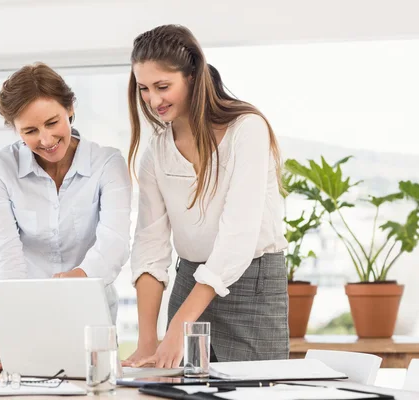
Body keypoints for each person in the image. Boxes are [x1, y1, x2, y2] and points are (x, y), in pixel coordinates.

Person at [123, 25, 289, 368]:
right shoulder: (156, 151)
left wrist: (179, 325)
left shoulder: (247, 129)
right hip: (190, 284)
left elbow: (238, 237)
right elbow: (150, 247)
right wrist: (147, 341)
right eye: (144, 89)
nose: (153, 100)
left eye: (163, 86)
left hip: (252, 286)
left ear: (193, 76)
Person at [0, 62, 132, 374]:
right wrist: (20, 335)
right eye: (29, 131)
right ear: (16, 130)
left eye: (52, 122)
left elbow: (114, 242)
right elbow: (4, 254)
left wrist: (73, 284)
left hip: (86, 311)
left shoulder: (107, 164)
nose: (45, 140)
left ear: (70, 108)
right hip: (12, 314)